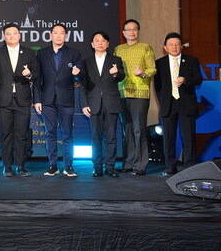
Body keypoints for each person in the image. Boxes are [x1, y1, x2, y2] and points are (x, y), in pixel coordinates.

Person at [0, 23, 39, 177]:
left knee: (21, 135)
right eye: (8, 34)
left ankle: (21, 166)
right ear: (4, 36)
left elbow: (36, 74)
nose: (11, 36)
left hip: (22, 100)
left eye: (14, 33)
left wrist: (29, 75)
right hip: (3, 100)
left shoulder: (29, 53)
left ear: (19, 35)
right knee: (5, 134)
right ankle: (7, 166)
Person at [34, 24, 83, 177]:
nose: (58, 35)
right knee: (50, 133)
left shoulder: (74, 53)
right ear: (51, 35)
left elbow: (81, 75)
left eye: (62, 33)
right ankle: (52, 165)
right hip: (47, 99)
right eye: (56, 33)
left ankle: (68, 166)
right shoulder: (42, 53)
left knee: (67, 134)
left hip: (66, 99)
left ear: (65, 36)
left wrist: (77, 73)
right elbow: (37, 79)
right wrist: (37, 100)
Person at [154, 32, 203, 176]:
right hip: (168, 104)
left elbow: (198, 79)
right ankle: (170, 166)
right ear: (165, 47)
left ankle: (189, 167)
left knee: (188, 137)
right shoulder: (159, 63)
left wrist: (185, 80)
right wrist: (163, 101)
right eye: (171, 44)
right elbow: (157, 86)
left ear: (181, 46)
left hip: (186, 103)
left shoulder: (192, 60)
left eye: (177, 44)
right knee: (169, 138)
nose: (174, 47)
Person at [114, 19, 156, 175]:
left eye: (134, 29)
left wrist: (142, 74)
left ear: (138, 31)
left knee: (139, 130)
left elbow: (152, 69)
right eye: (128, 29)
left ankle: (141, 165)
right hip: (122, 92)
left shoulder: (146, 48)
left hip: (140, 93)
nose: (131, 32)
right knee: (128, 130)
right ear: (123, 33)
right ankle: (129, 163)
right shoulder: (118, 49)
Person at [81, 31, 125, 177]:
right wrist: (84, 104)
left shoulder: (116, 60)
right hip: (94, 104)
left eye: (103, 40)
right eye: (97, 40)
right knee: (95, 137)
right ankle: (97, 167)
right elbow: (83, 85)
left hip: (111, 102)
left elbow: (121, 76)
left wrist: (115, 73)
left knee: (111, 137)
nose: (100, 43)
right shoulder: (86, 62)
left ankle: (110, 167)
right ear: (92, 44)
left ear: (108, 43)